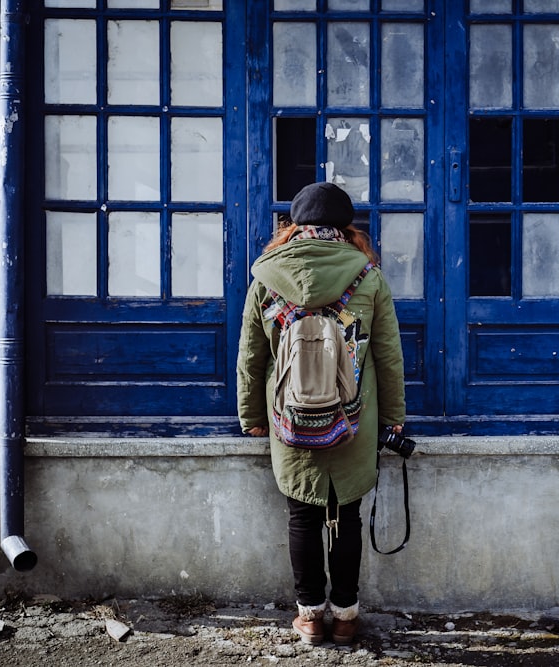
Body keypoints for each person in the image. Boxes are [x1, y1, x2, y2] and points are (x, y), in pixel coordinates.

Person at [236, 181, 406, 646]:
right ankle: (347, 616)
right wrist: (393, 416)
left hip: (288, 414)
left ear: (293, 226)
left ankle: (309, 617)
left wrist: (250, 414)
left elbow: (252, 357)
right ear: (345, 228)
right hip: (356, 416)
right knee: (345, 515)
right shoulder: (367, 278)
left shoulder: (267, 280)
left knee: (302, 515)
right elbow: (388, 354)